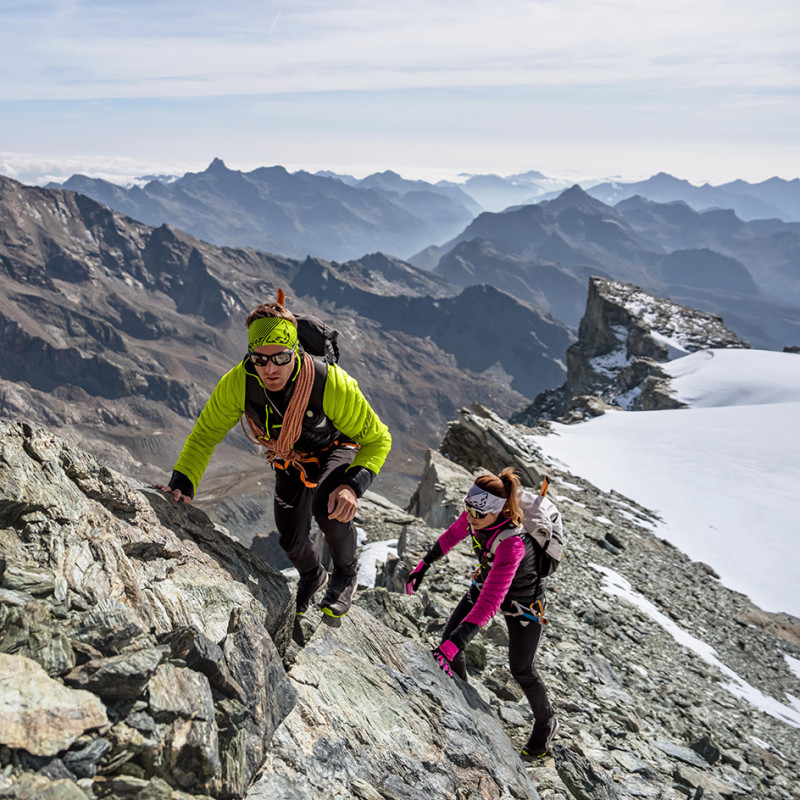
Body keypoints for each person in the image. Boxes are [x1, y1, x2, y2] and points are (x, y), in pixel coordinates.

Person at [155, 295, 392, 618]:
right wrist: (183, 481)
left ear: (295, 351)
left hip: (336, 449)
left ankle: (345, 574)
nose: (270, 368)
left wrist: (352, 485)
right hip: (291, 457)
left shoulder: (330, 384)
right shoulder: (239, 382)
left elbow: (378, 439)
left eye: (280, 358)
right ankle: (313, 576)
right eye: (260, 359)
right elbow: (205, 434)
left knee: (329, 506)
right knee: (291, 541)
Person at [406, 468, 560, 760]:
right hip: (486, 583)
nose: (471, 519)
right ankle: (462, 698)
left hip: (524, 605)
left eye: (478, 515)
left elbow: (492, 599)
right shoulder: (477, 512)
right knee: (449, 642)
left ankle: (546, 720)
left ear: (500, 511)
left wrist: (457, 641)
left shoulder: (514, 543)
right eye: (469, 510)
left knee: (521, 670)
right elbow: (453, 534)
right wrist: (423, 565)